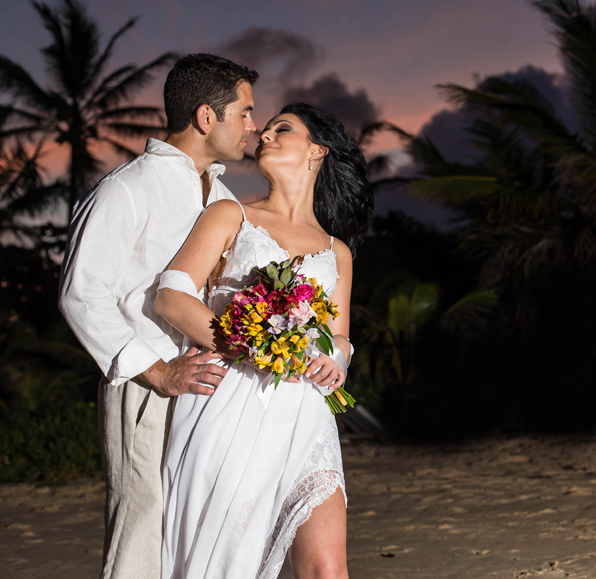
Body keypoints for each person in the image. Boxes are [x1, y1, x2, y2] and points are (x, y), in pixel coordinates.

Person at [58, 54, 259, 579]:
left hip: (213, 386)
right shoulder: (125, 188)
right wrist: (158, 371)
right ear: (206, 117)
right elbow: (81, 294)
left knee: (199, 522)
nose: (253, 126)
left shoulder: (221, 192)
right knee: (143, 520)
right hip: (146, 384)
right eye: (245, 112)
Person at [154, 102, 373, 579]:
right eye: (265, 129)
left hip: (305, 414)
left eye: (282, 128)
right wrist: (248, 340)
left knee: (327, 568)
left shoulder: (337, 251)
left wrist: (336, 361)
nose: (264, 135)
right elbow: (171, 296)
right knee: (230, 562)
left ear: (318, 151)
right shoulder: (230, 215)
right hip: (231, 402)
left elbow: (339, 338)